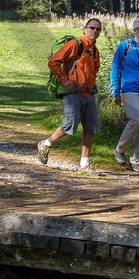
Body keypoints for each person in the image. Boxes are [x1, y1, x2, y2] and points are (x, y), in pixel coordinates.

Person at [39, 16, 101, 169]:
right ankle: (45, 144)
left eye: (98, 29)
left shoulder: (95, 50)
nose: (95, 31)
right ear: (85, 29)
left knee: (90, 129)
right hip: (73, 94)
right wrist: (65, 81)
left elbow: (95, 70)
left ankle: (84, 165)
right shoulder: (75, 44)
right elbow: (53, 62)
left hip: (89, 95)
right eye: (92, 28)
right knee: (69, 126)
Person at [109, 16, 139, 173]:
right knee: (136, 119)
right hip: (129, 87)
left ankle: (136, 160)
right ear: (135, 30)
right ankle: (120, 148)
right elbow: (115, 68)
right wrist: (115, 91)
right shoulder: (125, 46)